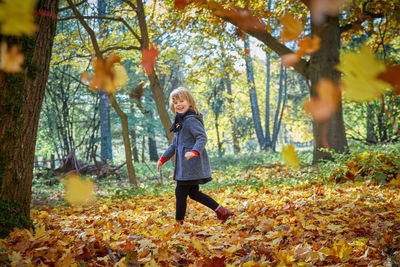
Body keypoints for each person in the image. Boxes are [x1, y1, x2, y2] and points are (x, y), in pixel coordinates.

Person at [157, 87, 232, 224]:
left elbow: (201, 137)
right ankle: (222, 211)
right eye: (175, 102)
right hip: (185, 166)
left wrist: (194, 151)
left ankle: (178, 223)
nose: (178, 104)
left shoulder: (191, 120)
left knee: (180, 193)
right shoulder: (180, 122)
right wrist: (163, 159)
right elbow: (174, 145)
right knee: (193, 193)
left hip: (190, 165)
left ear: (189, 102)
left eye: (181, 101)